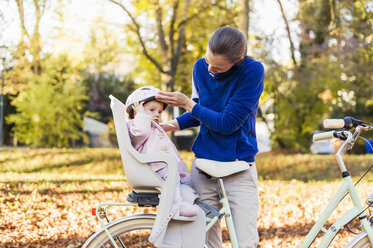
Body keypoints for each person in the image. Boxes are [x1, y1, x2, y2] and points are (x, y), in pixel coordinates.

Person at [156, 26, 264, 248]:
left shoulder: (252, 71)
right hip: (203, 167)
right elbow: (201, 113)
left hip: (238, 167)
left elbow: (227, 123)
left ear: (238, 60)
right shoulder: (200, 67)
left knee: (245, 242)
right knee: (205, 241)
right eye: (208, 62)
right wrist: (165, 126)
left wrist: (187, 103)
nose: (211, 69)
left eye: (218, 68)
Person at [125, 86, 199, 218]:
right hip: (155, 168)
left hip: (167, 167)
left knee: (189, 183)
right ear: (134, 112)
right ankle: (176, 205)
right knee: (173, 178)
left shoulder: (152, 127)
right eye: (151, 110)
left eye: (159, 111)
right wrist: (141, 115)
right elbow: (142, 133)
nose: (157, 114)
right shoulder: (136, 126)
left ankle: (191, 203)